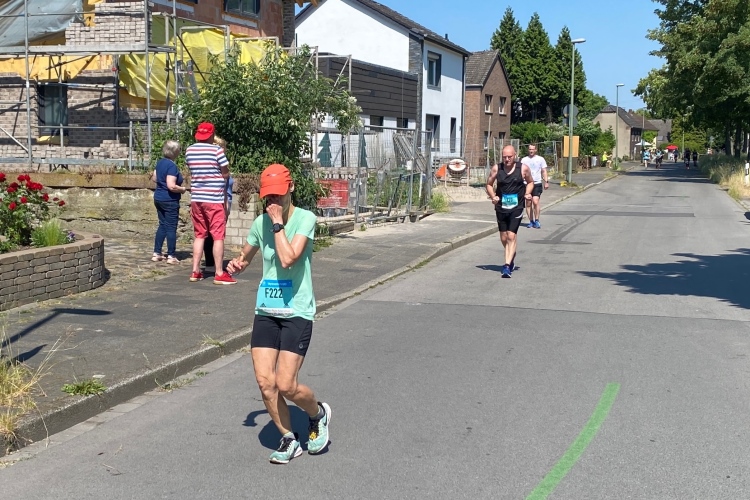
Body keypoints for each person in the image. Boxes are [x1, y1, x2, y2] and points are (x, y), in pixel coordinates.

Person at [227, 163, 331, 464]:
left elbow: (287, 259)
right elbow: (246, 255)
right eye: (268, 196)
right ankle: (289, 439)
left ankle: (317, 414)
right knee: (265, 382)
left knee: (286, 384)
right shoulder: (260, 223)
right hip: (267, 310)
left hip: (297, 310)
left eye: (278, 195)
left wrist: (277, 224)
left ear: (291, 189)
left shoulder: (305, 219)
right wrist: (238, 264)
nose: (273, 201)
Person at [185, 122, 236, 284]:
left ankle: (195, 271)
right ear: (212, 135)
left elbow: (193, 170)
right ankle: (219, 272)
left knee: (199, 235)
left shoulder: (189, 150)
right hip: (214, 199)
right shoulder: (217, 150)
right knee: (218, 236)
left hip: (197, 198)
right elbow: (225, 173)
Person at [485, 145, 534, 278]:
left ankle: (507, 266)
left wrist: (527, 193)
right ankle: (511, 254)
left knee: (511, 236)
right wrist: (493, 196)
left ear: (515, 155)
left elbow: (530, 182)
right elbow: (489, 184)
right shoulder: (497, 168)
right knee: (504, 237)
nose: (507, 159)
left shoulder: (523, 168)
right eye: (504, 157)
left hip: (517, 206)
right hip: (501, 207)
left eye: (509, 157)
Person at [150, 140, 187, 264]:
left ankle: (157, 253)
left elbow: (154, 178)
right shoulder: (171, 166)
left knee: (162, 225)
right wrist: (182, 189)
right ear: (175, 152)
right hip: (169, 200)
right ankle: (171, 255)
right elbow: (171, 186)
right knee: (171, 227)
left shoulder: (160, 162)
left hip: (158, 198)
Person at [203, 136, 234, 270]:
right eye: (220, 147)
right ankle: (213, 263)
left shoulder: (220, 163)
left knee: (212, 233)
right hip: (219, 201)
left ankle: (212, 261)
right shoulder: (216, 165)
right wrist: (225, 206)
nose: (222, 149)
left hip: (223, 200)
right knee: (215, 234)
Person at [520, 144, 548, 229]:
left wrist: (546, 182)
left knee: (535, 201)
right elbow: (521, 172)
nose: (531, 151)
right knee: (528, 203)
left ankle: (537, 220)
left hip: (537, 183)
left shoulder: (540, 159)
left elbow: (544, 171)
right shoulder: (524, 160)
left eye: (532, 149)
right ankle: (531, 221)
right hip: (526, 184)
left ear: (535, 150)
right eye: (530, 149)